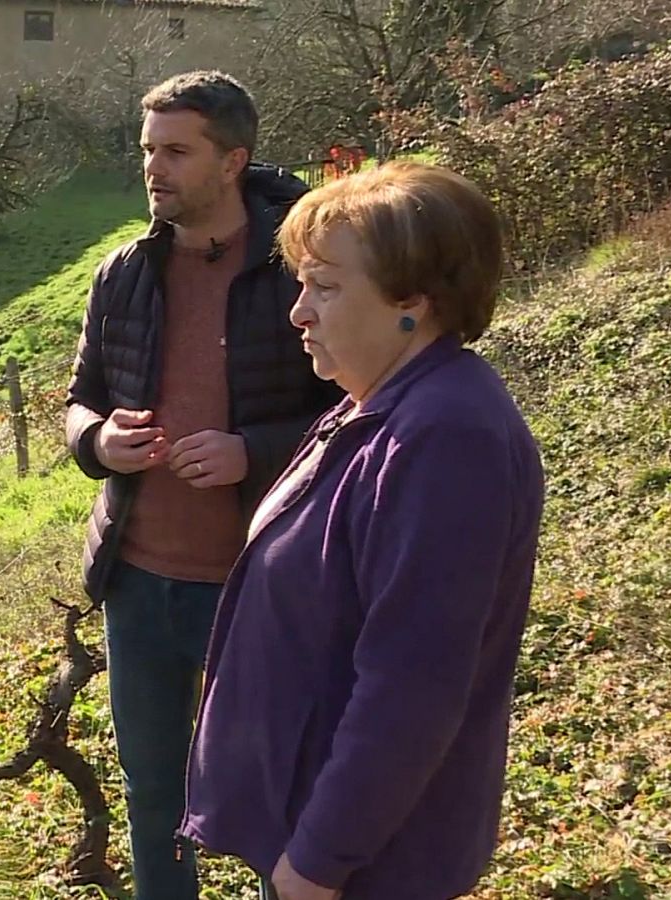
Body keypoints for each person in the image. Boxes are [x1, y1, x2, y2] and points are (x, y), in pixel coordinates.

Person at [179, 162, 545, 900]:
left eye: (327, 286)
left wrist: (317, 862)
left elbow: (412, 686)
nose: (298, 313)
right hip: (322, 828)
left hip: (365, 864)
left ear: (413, 298)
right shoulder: (373, 403)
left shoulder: (444, 436)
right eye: (301, 284)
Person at [64, 71, 344, 899]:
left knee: (274, 796)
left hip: (259, 583)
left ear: (233, 160)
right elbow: (80, 399)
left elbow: (359, 412)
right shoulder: (123, 271)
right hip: (139, 583)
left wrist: (251, 451)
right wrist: (98, 441)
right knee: (153, 793)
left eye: (177, 151)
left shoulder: (303, 269)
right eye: (148, 149)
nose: (155, 169)